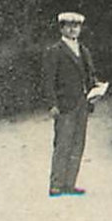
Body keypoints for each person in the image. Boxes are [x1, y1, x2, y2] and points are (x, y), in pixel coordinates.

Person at [40, 11, 101, 196]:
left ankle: (69, 183)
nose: (73, 29)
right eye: (69, 25)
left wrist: (96, 88)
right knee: (63, 144)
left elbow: (89, 76)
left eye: (77, 26)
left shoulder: (84, 50)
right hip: (65, 105)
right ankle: (56, 184)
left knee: (77, 144)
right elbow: (47, 80)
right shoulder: (55, 51)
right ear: (62, 28)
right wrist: (52, 104)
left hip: (82, 104)